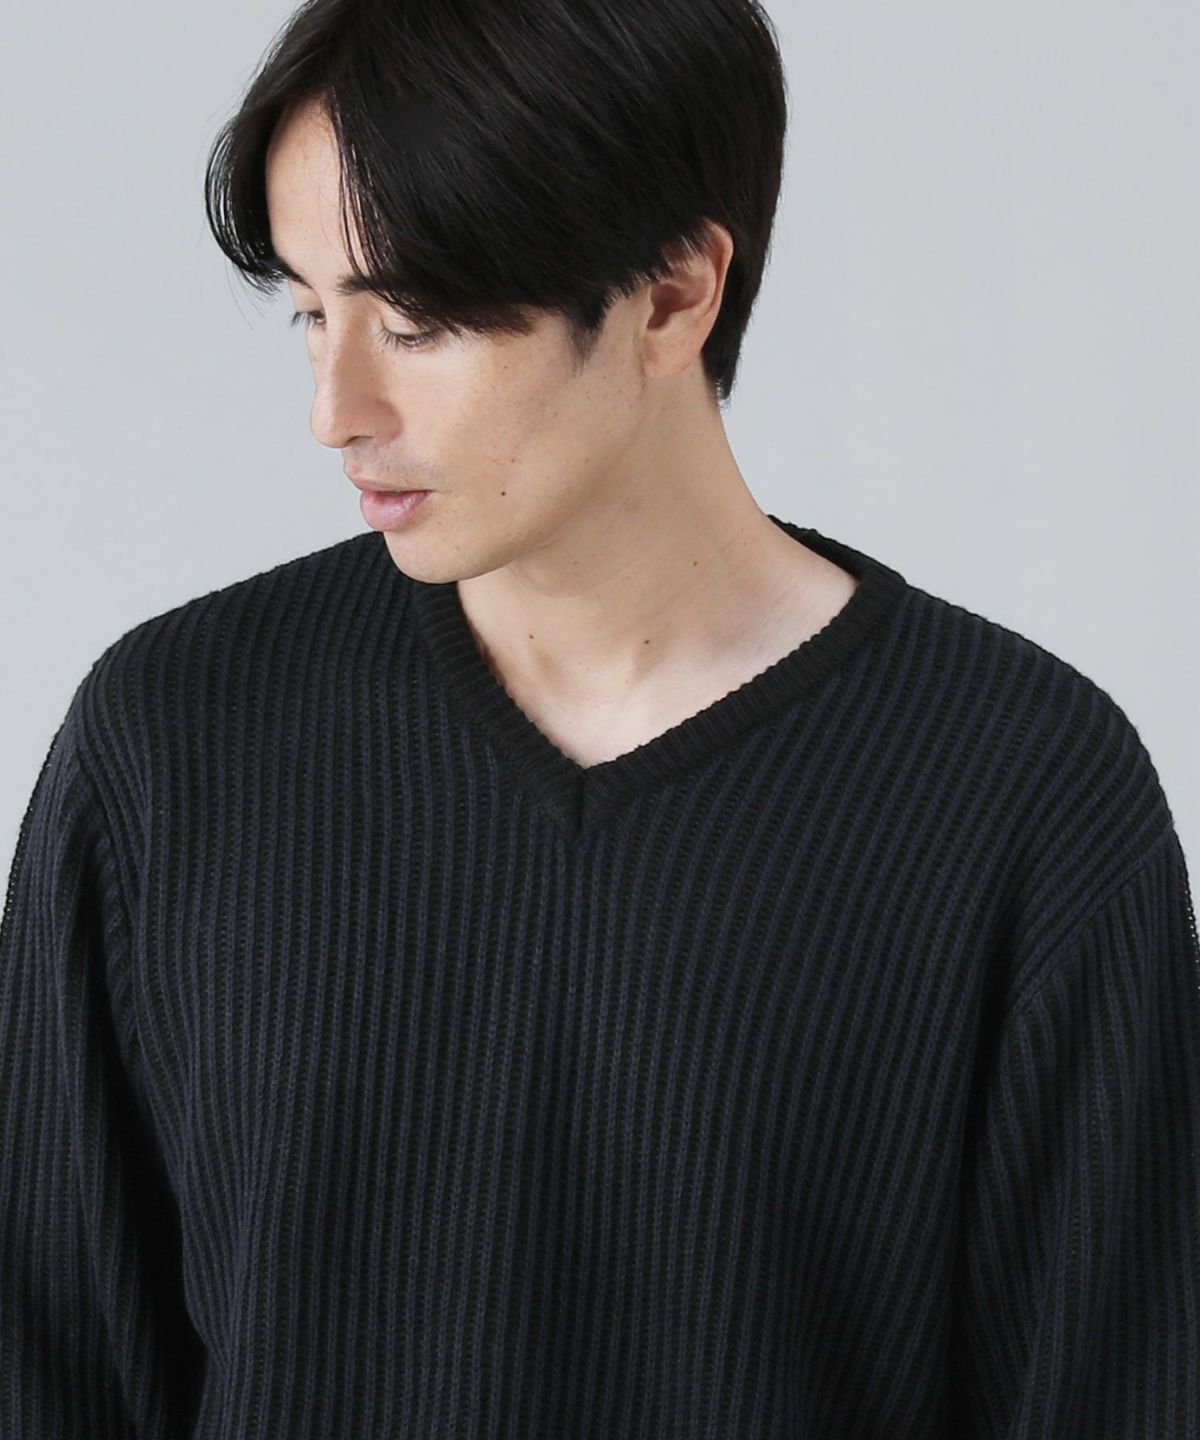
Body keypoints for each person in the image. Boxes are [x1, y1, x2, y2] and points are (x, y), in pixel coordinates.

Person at [2, 1, 1197, 1436]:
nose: (335, 407)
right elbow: (47, 1365)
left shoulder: (1024, 797)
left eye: (415, 322)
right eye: (314, 314)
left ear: (674, 295)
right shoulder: (171, 746)